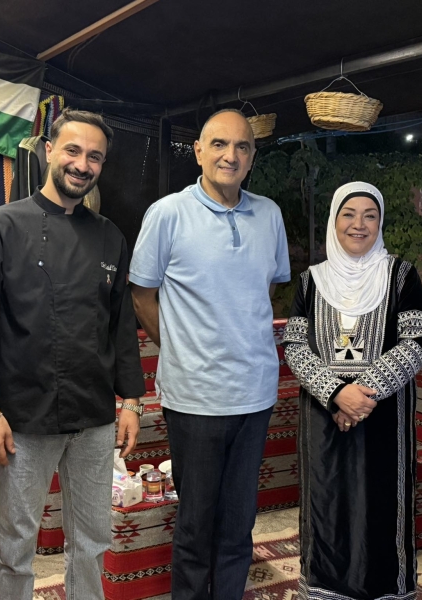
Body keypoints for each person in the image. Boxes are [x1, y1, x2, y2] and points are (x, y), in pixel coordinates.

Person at [0, 108, 146, 600]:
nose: (82, 164)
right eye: (73, 150)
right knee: (16, 544)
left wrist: (131, 402)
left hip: (94, 417)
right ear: (49, 150)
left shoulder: (110, 236)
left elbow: (121, 326)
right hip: (23, 416)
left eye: (95, 157)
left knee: (93, 540)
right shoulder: (0, 227)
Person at [129, 108, 291, 600]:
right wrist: (181, 348)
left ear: (253, 157)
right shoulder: (168, 213)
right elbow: (142, 296)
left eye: (242, 146)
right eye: (219, 144)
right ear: (198, 151)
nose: (230, 155)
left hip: (255, 393)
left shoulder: (269, 215)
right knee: (197, 524)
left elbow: (267, 289)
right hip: (195, 397)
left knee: (239, 523)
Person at [283, 181, 422, 600]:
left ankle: (385, 590)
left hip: (384, 417)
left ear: (380, 223)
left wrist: (362, 395)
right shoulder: (311, 281)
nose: (358, 224)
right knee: (326, 504)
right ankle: (325, 589)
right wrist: (335, 393)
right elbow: (295, 345)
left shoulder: (400, 275)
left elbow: (417, 343)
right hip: (323, 416)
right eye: (348, 214)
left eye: (370, 215)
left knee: (381, 504)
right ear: (335, 220)